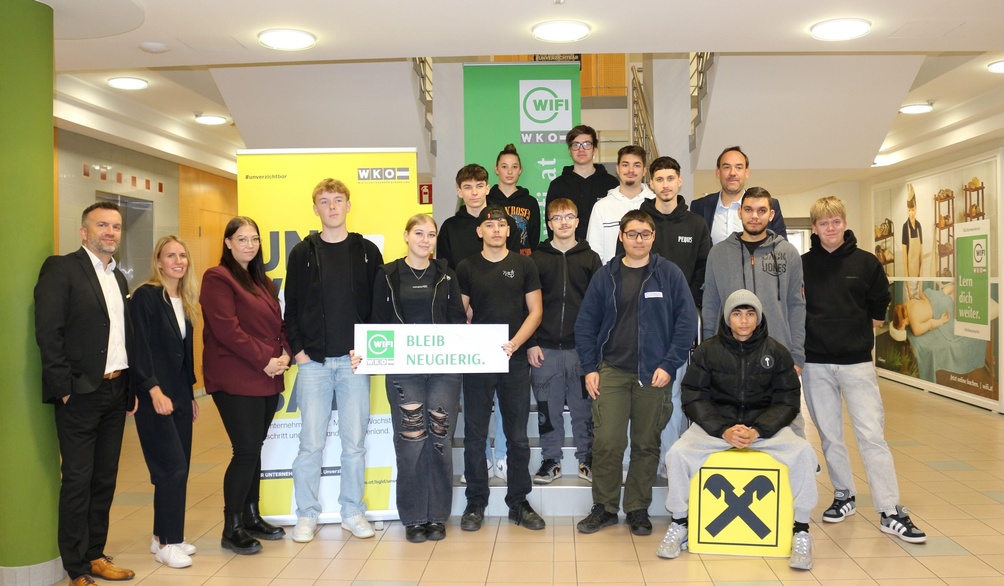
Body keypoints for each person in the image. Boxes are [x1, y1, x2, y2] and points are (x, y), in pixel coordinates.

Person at [657, 290, 818, 570]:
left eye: (750, 314)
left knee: (804, 452)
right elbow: (693, 396)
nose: (744, 321)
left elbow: (788, 400)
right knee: (677, 454)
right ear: (727, 318)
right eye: (737, 314)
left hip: (763, 429)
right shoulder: (708, 351)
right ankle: (680, 522)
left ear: (759, 318)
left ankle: (801, 530)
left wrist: (759, 430)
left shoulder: (776, 352)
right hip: (718, 428)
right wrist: (723, 430)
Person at [801, 196, 927, 543]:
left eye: (836, 221)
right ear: (814, 228)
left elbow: (879, 305)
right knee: (830, 436)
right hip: (815, 363)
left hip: (856, 363)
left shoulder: (867, 262)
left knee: (871, 436)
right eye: (823, 223)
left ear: (844, 223)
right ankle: (844, 495)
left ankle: (889, 510)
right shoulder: (803, 264)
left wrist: (856, 330)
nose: (830, 228)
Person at [575, 210, 697, 536]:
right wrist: (589, 368)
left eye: (644, 234)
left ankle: (637, 508)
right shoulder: (606, 275)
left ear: (653, 236)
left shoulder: (668, 274)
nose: (638, 240)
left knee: (646, 444)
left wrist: (669, 365)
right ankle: (604, 508)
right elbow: (585, 324)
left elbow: (686, 323)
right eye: (632, 234)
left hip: (654, 374)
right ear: (621, 237)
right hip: (611, 371)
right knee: (608, 443)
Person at [34, 202, 137, 586]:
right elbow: (49, 331)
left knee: (105, 479)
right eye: (102, 225)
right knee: (78, 480)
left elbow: (120, 336)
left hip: (115, 389)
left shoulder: (118, 277)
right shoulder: (61, 269)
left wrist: (130, 386)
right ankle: (75, 567)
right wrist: (64, 389)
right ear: (84, 231)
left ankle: (95, 554)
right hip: (79, 394)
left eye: (116, 226)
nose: (110, 232)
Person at [284, 178, 383, 543]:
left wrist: (368, 350)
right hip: (313, 363)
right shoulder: (302, 253)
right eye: (324, 201)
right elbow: (291, 307)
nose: (332, 207)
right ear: (315, 209)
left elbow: (379, 307)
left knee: (354, 444)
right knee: (310, 444)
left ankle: (352, 511)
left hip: (355, 363)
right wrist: (299, 352)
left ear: (348, 205)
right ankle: (306, 515)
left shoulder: (367, 251)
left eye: (337, 200)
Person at [370, 214, 466, 543]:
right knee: (411, 441)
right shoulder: (387, 274)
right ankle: (413, 518)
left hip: (444, 370)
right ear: (406, 236)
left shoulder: (447, 275)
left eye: (431, 234)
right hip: (403, 369)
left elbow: (457, 321)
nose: (426, 240)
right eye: (419, 233)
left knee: (439, 439)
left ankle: (437, 516)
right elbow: (378, 322)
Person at [201, 216, 290, 555]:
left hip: (267, 376)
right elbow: (227, 329)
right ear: (227, 242)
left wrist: (284, 354)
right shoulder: (217, 277)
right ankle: (232, 526)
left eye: (254, 239)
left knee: (254, 449)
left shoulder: (261, 280)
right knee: (246, 451)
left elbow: (279, 325)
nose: (249, 245)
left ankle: (252, 516)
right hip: (236, 377)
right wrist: (265, 359)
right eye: (241, 239)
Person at [456, 204, 545, 532]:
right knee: (475, 435)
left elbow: (535, 311)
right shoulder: (466, 266)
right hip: (479, 360)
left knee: (518, 436)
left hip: (514, 358)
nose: (496, 230)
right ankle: (475, 502)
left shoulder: (524, 264)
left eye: (501, 225)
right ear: (479, 230)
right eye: (490, 225)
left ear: (509, 231)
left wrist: (515, 344)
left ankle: (518, 502)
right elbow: (460, 312)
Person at [702, 187, 806, 438]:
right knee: (731, 428)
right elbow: (711, 304)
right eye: (748, 210)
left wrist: (797, 355)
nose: (755, 216)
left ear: (771, 214)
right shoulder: (718, 253)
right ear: (740, 213)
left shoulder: (788, 253)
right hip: (728, 357)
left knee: (788, 428)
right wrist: (708, 352)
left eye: (761, 210)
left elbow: (797, 305)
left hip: (777, 356)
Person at [633, 155, 711, 472]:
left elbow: (703, 271)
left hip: (680, 321)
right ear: (651, 184)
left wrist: (685, 306)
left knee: (675, 395)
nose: (665, 185)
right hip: (641, 321)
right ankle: (642, 460)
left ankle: (671, 461)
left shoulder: (696, 224)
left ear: (679, 182)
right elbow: (626, 266)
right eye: (659, 179)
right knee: (641, 392)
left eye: (670, 178)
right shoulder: (638, 222)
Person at [439, 164, 516, 482]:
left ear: (488, 188)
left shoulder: (500, 220)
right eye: (467, 187)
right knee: (473, 398)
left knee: (504, 398)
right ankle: (482, 456)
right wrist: (461, 309)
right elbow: (444, 272)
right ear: (459, 191)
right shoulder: (449, 227)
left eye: (479, 185)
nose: (474, 192)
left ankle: (504, 455)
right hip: (466, 321)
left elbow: (512, 263)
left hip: (502, 320)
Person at [130, 236, 200, 569]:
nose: (178, 261)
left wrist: (191, 394)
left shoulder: (184, 299)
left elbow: (184, 354)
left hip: (180, 394)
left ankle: (163, 535)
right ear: (158, 262)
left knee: (179, 467)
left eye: (182, 255)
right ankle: (169, 543)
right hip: (154, 395)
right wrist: (153, 389)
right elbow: (139, 347)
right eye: (170, 255)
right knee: (171, 468)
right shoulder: (146, 296)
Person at [528, 198, 602, 484]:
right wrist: (531, 341)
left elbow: (598, 307)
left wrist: (593, 349)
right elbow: (527, 305)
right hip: (544, 349)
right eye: (557, 218)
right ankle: (551, 461)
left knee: (584, 410)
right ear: (549, 223)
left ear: (577, 221)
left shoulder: (590, 258)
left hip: (580, 350)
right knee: (548, 410)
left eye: (569, 217)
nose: (563, 222)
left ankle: (587, 459)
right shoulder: (536, 259)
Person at [690, 146, 786, 244]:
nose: (732, 173)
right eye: (726, 167)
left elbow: (781, 247)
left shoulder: (770, 205)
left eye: (738, 167)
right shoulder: (699, 206)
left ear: (746, 172)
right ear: (718, 172)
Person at [544, 124, 619, 242]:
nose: (581, 149)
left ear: (594, 149)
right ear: (570, 151)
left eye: (586, 144)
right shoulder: (557, 185)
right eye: (576, 145)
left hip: (605, 249)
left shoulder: (611, 184)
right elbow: (552, 224)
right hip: (569, 250)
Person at [585, 145, 656, 263]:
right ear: (617, 169)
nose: (631, 170)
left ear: (644, 170)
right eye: (625, 165)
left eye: (637, 165)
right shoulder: (601, 207)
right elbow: (594, 254)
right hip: (611, 274)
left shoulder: (655, 204)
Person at [489, 143, 541, 256]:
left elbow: (534, 238)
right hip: (494, 259)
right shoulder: (487, 201)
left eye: (514, 167)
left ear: (520, 170)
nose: (510, 172)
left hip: (523, 260)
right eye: (504, 167)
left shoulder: (530, 202)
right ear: (496, 169)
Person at [890, 284, 955, 338]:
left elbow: (930, 324)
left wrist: (941, 321)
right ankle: (955, 285)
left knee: (952, 298)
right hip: (928, 295)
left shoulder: (915, 329)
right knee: (943, 292)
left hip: (935, 306)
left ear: (903, 321)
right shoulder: (905, 304)